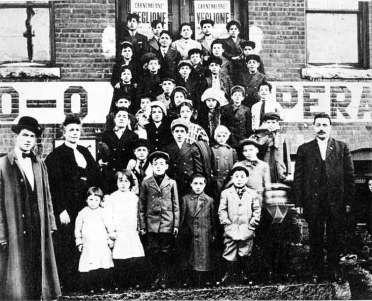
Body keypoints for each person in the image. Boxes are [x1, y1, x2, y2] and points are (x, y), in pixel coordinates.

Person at [0, 116, 61, 300]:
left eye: (32, 136)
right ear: (16, 136)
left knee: (37, 269)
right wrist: (2, 232)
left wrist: (50, 223)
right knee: (16, 274)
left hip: (37, 227)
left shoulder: (39, 164)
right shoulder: (2, 165)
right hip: (15, 229)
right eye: (25, 135)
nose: (28, 140)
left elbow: (47, 196)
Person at [293, 112, 354, 283]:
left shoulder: (342, 147)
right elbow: (298, 177)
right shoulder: (304, 149)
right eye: (318, 125)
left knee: (335, 237)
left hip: (336, 202)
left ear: (330, 127)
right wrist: (299, 202)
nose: (321, 128)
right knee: (315, 236)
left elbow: (349, 176)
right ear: (313, 127)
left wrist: (349, 201)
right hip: (314, 202)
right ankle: (317, 271)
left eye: (325, 125)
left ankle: (334, 269)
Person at [45, 115, 101, 292]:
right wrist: (60, 209)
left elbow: (96, 176)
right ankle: (68, 283)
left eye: (77, 130)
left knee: (85, 240)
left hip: (84, 206)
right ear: (64, 132)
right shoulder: (56, 155)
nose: (75, 133)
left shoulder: (84, 151)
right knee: (68, 242)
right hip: (67, 208)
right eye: (71, 130)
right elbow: (53, 185)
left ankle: (84, 281)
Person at [139, 151, 180, 289]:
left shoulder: (172, 183)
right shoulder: (146, 182)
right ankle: (155, 278)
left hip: (167, 224)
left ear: (167, 166)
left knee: (166, 252)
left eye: (161, 164)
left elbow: (176, 206)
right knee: (153, 251)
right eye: (155, 164)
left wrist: (176, 225)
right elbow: (141, 206)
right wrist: (143, 225)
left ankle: (164, 278)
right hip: (151, 225)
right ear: (151, 166)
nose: (158, 166)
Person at [218, 165, 261, 285]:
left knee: (245, 252)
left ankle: (245, 275)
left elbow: (257, 210)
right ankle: (227, 275)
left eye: (242, 177)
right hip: (231, 229)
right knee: (229, 252)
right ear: (232, 178)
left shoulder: (252, 193)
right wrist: (227, 225)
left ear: (247, 179)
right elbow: (222, 210)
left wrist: (252, 225)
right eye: (236, 176)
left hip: (246, 229)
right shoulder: (226, 193)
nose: (239, 179)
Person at [105, 171, 145, 288]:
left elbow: (138, 214)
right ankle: (122, 282)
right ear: (116, 182)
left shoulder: (134, 198)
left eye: (126, 181)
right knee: (120, 257)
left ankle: (135, 281)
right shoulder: (112, 198)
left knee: (134, 256)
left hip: (131, 231)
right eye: (120, 181)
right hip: (119, 232)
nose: (123, 184)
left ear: (131, 183)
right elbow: (108, 216)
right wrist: (111, 230)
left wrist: (139, 227)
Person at [75, 187, 114, 293]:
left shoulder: (103, 212)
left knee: (102, 264)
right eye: (91, 199)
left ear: (100, 201)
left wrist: (110, 239)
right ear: (86, 200)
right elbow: (77, 229)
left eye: (96, 200)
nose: (93, 202)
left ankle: (101, 285)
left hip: (101, 243)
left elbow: (109, 226)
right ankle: (90, 286)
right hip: (89, 245)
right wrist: (79, 242)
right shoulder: (83, 213)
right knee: (90, 265)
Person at [181, 173, 216, 287]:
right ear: (191, 184)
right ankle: (189, 279)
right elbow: (182, 218)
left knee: (204, 257)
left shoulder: (209, 200)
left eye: (201, 183)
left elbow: (213, 219)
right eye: (195, 183)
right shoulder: (185, 199)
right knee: (190, 256)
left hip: (204, 232)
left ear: (205, 185)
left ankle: (205, 279)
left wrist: (213, 233)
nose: (198, 186)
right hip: (190, 232)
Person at [99, 108, 138, 193]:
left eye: (124, 117)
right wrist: (100, 161)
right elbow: (101, 153)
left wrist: (133, 160)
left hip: (125, 173)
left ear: (128, 120)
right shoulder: (106, 134)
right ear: (115, 119)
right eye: (119, 116)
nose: (121, 118)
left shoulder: (133, 135)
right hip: (110, 172)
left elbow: (135, 153)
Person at [166, 118, 203, 197]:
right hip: (173, 184)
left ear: (186, 133)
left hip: (188, 184)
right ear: (173, 133)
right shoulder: (167, 149)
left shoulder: (193, 148)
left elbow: (198, 169)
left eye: (182, 131)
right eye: (177, 131)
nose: (179, 134)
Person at [211, 125, 238, 198]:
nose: (221, 138)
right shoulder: (212, 150)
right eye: (219, 136)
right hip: (217, 180)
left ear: (227, 137)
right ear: (216, 137)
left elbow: (235, 165)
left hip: (228, 180)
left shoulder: (232, 150)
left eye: (224, 136)